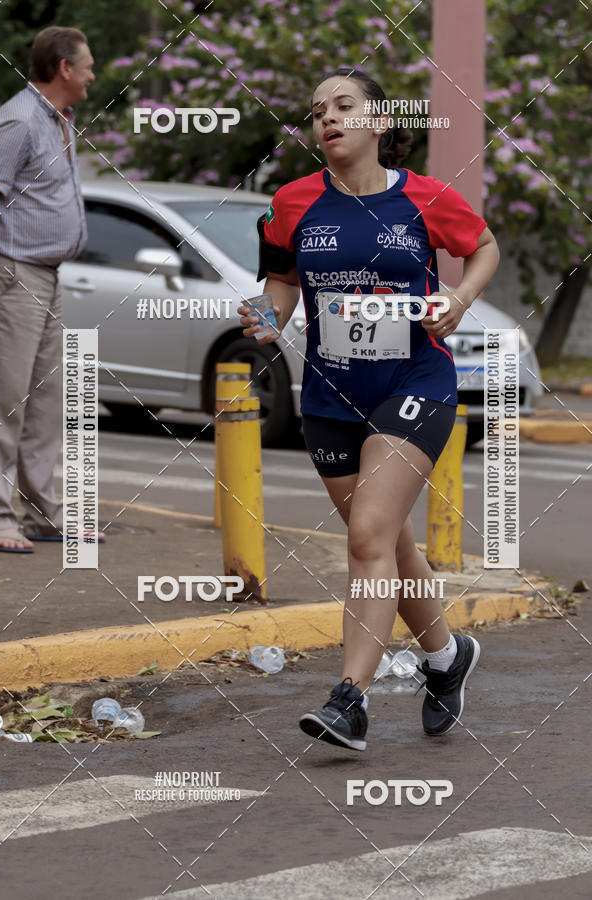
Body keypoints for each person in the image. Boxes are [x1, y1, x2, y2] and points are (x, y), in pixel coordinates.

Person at [239, 67, 499, 751]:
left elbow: (484, 247)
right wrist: (269, 317)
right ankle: (446, 658)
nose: (327, 117)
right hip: (330, 395)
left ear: (379, 123)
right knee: (385, 543)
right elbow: (282, 280)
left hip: (415, 383)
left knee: (367, 537)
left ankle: (350, 699)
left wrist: (460, 299)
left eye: (344, 106)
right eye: (317, 108)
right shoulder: (292, 203)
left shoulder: (425, 198)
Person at [0, 26, 99, 552]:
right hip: (12, 273)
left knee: (44, 399)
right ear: (64, 69)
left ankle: (40, 512)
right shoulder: (17, 120)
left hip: (46, 275)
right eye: (87, 66)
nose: (92, 76)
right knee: (3, 398)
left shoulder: (57, 120)